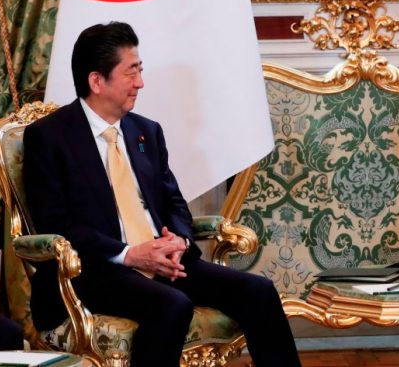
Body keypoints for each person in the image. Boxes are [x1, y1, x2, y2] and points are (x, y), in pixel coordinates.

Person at [23, 22, 301, 367]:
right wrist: (129, 254)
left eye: (140, 70)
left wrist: (179, 241)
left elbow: (174, 204)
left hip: (165, 261)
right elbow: (56, 223)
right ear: (97, 81)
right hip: (96, 271)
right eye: (131, 72)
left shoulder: (146, 132)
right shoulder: (49, 138)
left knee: (258, 291)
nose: (140, 82)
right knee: (172, 304)